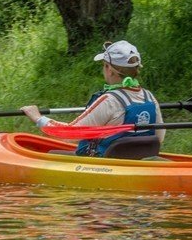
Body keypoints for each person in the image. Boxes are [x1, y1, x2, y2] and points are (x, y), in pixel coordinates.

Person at [21, 40, 164, 158]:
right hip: (139, 163)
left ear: (109, 69)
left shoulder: (109, 100)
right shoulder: (149, 97)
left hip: (105, 165)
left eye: (104, 65)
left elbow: (68, 134)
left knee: (50, 155)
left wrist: (37, 117)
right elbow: (159, 138)